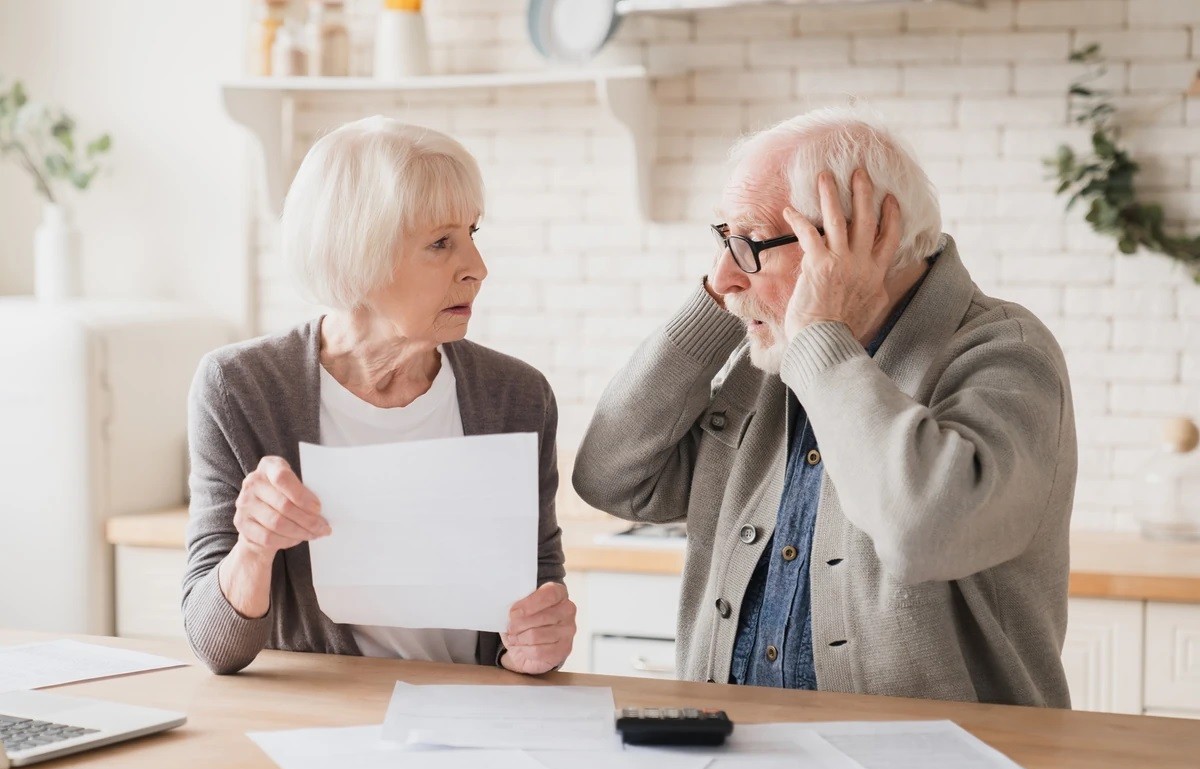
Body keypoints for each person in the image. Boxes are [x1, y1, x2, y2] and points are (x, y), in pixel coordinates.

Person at [573, 107, 1077, 707]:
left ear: (860, 241)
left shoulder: (1004, 350)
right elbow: (610, 478)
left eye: (750, 243)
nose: (723, 274)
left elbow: (926, 533)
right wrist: (719, 308)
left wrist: (821, 341)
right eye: (723, 239)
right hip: (736, 754)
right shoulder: (771, 360)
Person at [182, 117, 575, 676]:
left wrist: (541, 641)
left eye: (472, 234)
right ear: (355, 253)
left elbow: (537, 585)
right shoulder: (241, 388)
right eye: (441, 243)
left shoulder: (517, 396)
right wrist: (254, 547)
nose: (478, 269)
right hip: (321, 727)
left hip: (480, 720)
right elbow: (214, 648)